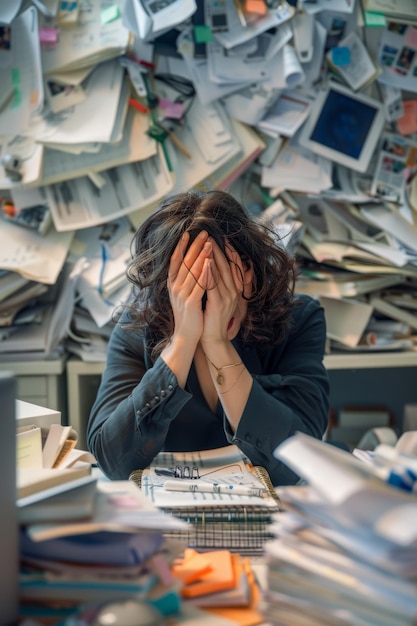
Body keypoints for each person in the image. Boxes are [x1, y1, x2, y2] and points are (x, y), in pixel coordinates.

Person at [87, 189, 329, 485]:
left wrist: (217, 344)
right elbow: (112, 462)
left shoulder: (300, 319)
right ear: (166, 290)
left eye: (219, 281)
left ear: (248, 272)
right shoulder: (137, 327)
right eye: (188, 286)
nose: (206, 300)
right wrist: (182, 342)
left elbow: (300, 462)